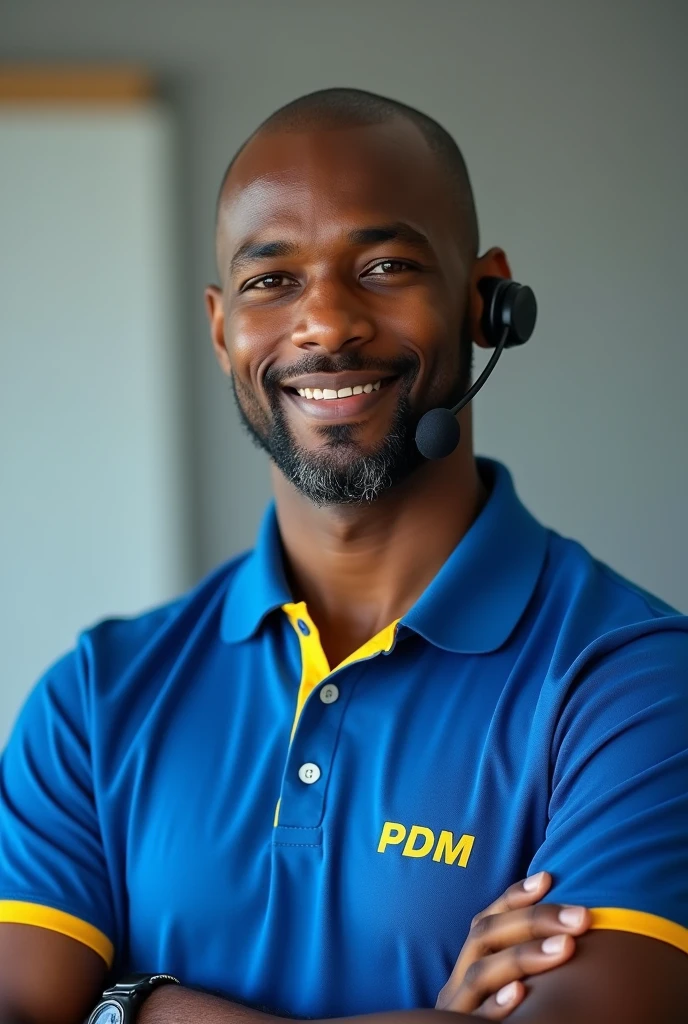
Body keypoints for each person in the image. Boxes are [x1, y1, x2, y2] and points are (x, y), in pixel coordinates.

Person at [0, 88, 686, 1024]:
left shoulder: (638, 683)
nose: (325, 324)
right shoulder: (96, 698)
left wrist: (118, 1007)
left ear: (488, 301)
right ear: (219, 327)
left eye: (385, 265)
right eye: (270, 281)